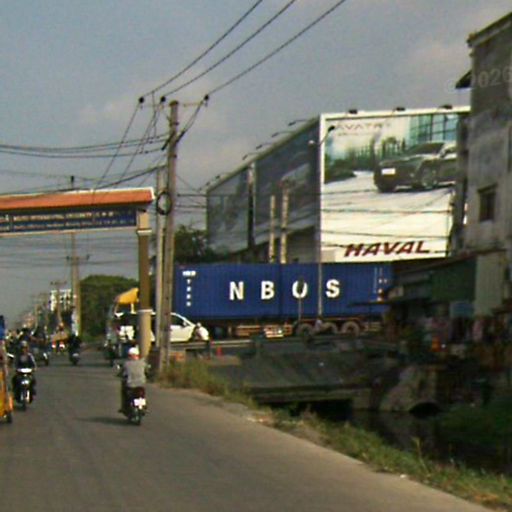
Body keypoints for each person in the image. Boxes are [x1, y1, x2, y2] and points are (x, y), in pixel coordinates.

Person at [119, 346, 147, 413]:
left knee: (125, 394)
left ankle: (125, 407)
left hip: (130, 384)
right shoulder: (143, 363)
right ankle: (142, 406)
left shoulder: (126, 363)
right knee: (142, 394)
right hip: (141, 384)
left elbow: (122, 372)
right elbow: (147, 371)